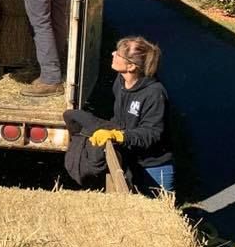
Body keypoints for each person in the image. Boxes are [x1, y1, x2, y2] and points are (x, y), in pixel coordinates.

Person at [63, 36, 174, 194]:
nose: (113, 53)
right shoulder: (121, 82)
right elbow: (119, 118)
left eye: (119, 54)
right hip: (129, 158)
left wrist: (120, 136)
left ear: (131, 66)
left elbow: (152, 133)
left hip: (152, 167)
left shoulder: (155, 93)